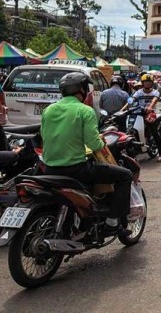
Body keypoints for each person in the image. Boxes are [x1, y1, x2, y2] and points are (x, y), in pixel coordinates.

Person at [41, 73, 133, 235]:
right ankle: (112, 223)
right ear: (82, 90)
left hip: (49, 169)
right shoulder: (85, 111)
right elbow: (94, 144)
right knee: (125, 175)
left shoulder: (48, 110)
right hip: (76, 170)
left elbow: (46, 136)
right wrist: (101, 140)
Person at [129, 73, 161, 162]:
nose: (147, 83)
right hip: (139, 113)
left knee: (154, 132)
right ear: (142, 83)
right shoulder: (138, 92)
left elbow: (154, 100)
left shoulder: (155, 92)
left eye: (149, 82)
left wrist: (150, 107)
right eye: (146, 82)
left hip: (150, 114)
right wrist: (124, 107)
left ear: (152, 83)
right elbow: (131, 99)